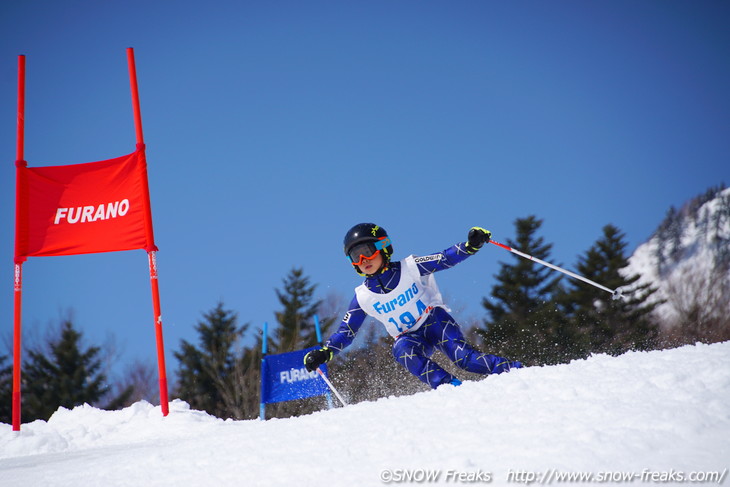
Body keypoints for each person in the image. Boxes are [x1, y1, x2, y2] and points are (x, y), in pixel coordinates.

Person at [304, 223, 522, 389]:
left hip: (434, 321)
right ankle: (451, 389)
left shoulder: (410, 267)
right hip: (409, 336)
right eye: (355, 255)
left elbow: (444, 258)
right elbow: (347, 331)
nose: (363, 259)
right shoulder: (363, 297)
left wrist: (470, 245)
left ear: (383, 247)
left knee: (464, 359)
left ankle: (515, 371)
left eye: (367, 251)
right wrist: (325, 352)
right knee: (401, 350)